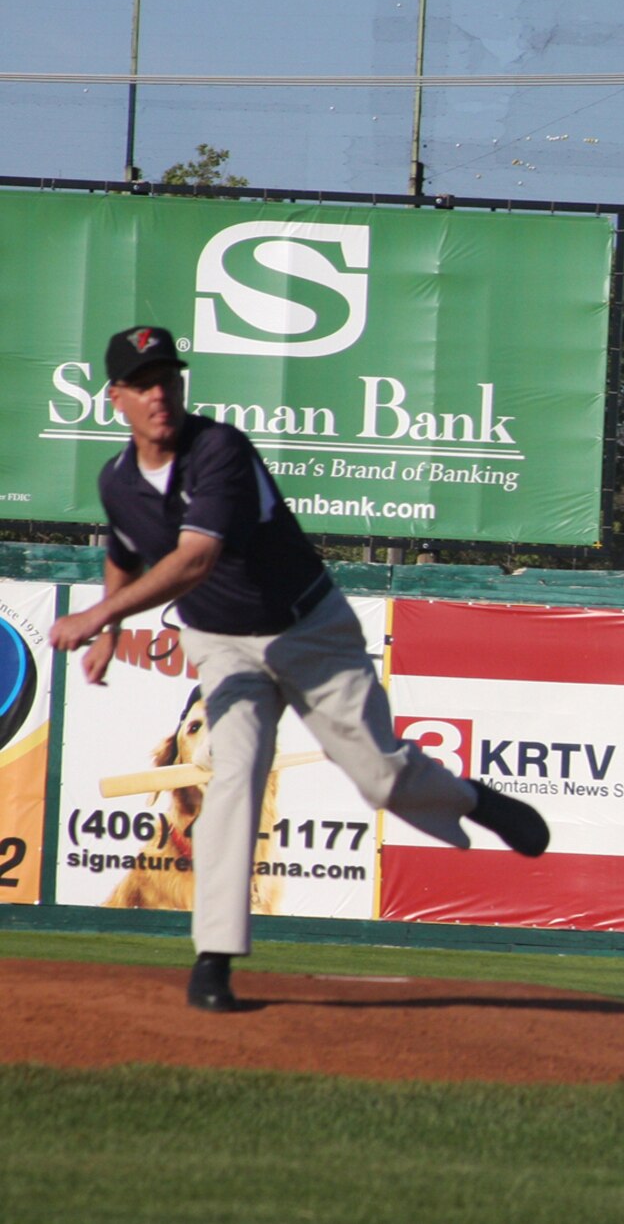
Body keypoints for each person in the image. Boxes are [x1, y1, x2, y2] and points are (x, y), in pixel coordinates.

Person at [49, 325, 548, 1013]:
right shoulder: (117, 479)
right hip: (222, 645)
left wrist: (96, 619)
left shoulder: (217, 450)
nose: (159, 392)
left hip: (307, 628)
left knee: (379, 772)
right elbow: (128, 548)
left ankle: (475, 801)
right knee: (231, 772)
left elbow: (194, 558)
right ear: (116, 398)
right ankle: (214, 959)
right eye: (142, 382)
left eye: (168, 376)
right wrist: (110, 618)